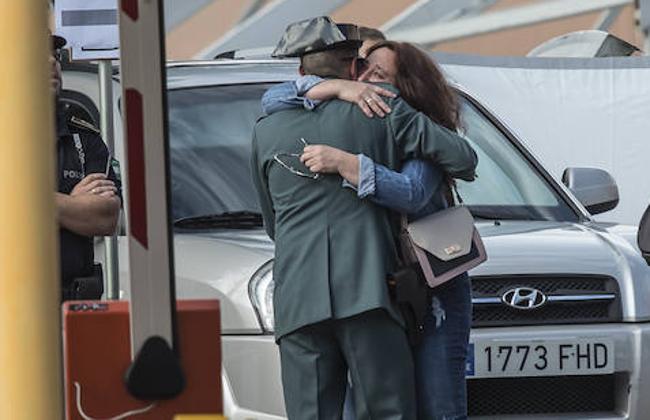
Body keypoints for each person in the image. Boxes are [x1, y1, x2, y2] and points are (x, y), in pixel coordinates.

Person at [251, 16, 477, 420]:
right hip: (369, 294)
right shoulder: (384, 110)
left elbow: (272, 223)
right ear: (354, 67)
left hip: (298, 299)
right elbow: (462, 158)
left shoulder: (266, 129)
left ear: (301, 72)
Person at [51, 34, 121, 301]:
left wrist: (27, 203)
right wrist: (72, 204)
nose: (50, 62)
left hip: (74, 306)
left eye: (56, 56)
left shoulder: (83, 136)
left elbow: (105, 217)